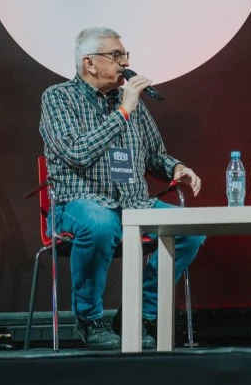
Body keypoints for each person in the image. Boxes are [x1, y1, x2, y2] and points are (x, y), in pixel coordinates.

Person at [39, 27, 205, 350]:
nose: (124, 63)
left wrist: (176, 168)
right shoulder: (57, 98)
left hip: (133, 203)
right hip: (77, 202)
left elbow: (155, 154)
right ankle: (89, 320)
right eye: (116, 56)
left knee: (191, 230)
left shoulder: (131, 103)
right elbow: (77, 152)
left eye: (125, 55)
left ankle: (137, 313)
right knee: (100, 223)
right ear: (89, 63)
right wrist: (123, 112)